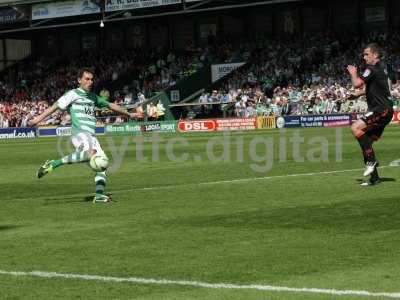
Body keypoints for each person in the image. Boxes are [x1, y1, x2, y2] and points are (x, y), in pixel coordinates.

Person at [28, 67, 142, 202]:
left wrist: (130, 114)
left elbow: (111, 105)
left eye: (92, 79)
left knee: (102, 165)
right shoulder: (73, 94)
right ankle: (54, 164)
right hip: (80, 133)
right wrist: (37, 119)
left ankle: (99, 195)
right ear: (79, 80)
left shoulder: (93, 97)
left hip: (92, 136)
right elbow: (55, 106)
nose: (90, 82)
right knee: (91, 154)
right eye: (87, 79)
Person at [347, 43, 393, 186]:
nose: (364, 57)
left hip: (381, 109)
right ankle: (375, 178)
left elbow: (356, 83)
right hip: (386, 110)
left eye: (367, 54)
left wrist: (353, 73)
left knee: (355, 128)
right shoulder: (383, 68)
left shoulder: (371, 68)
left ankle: (371, 162)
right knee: (366, 143)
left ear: (375, 55)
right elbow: (377, 87)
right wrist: (359, 95)